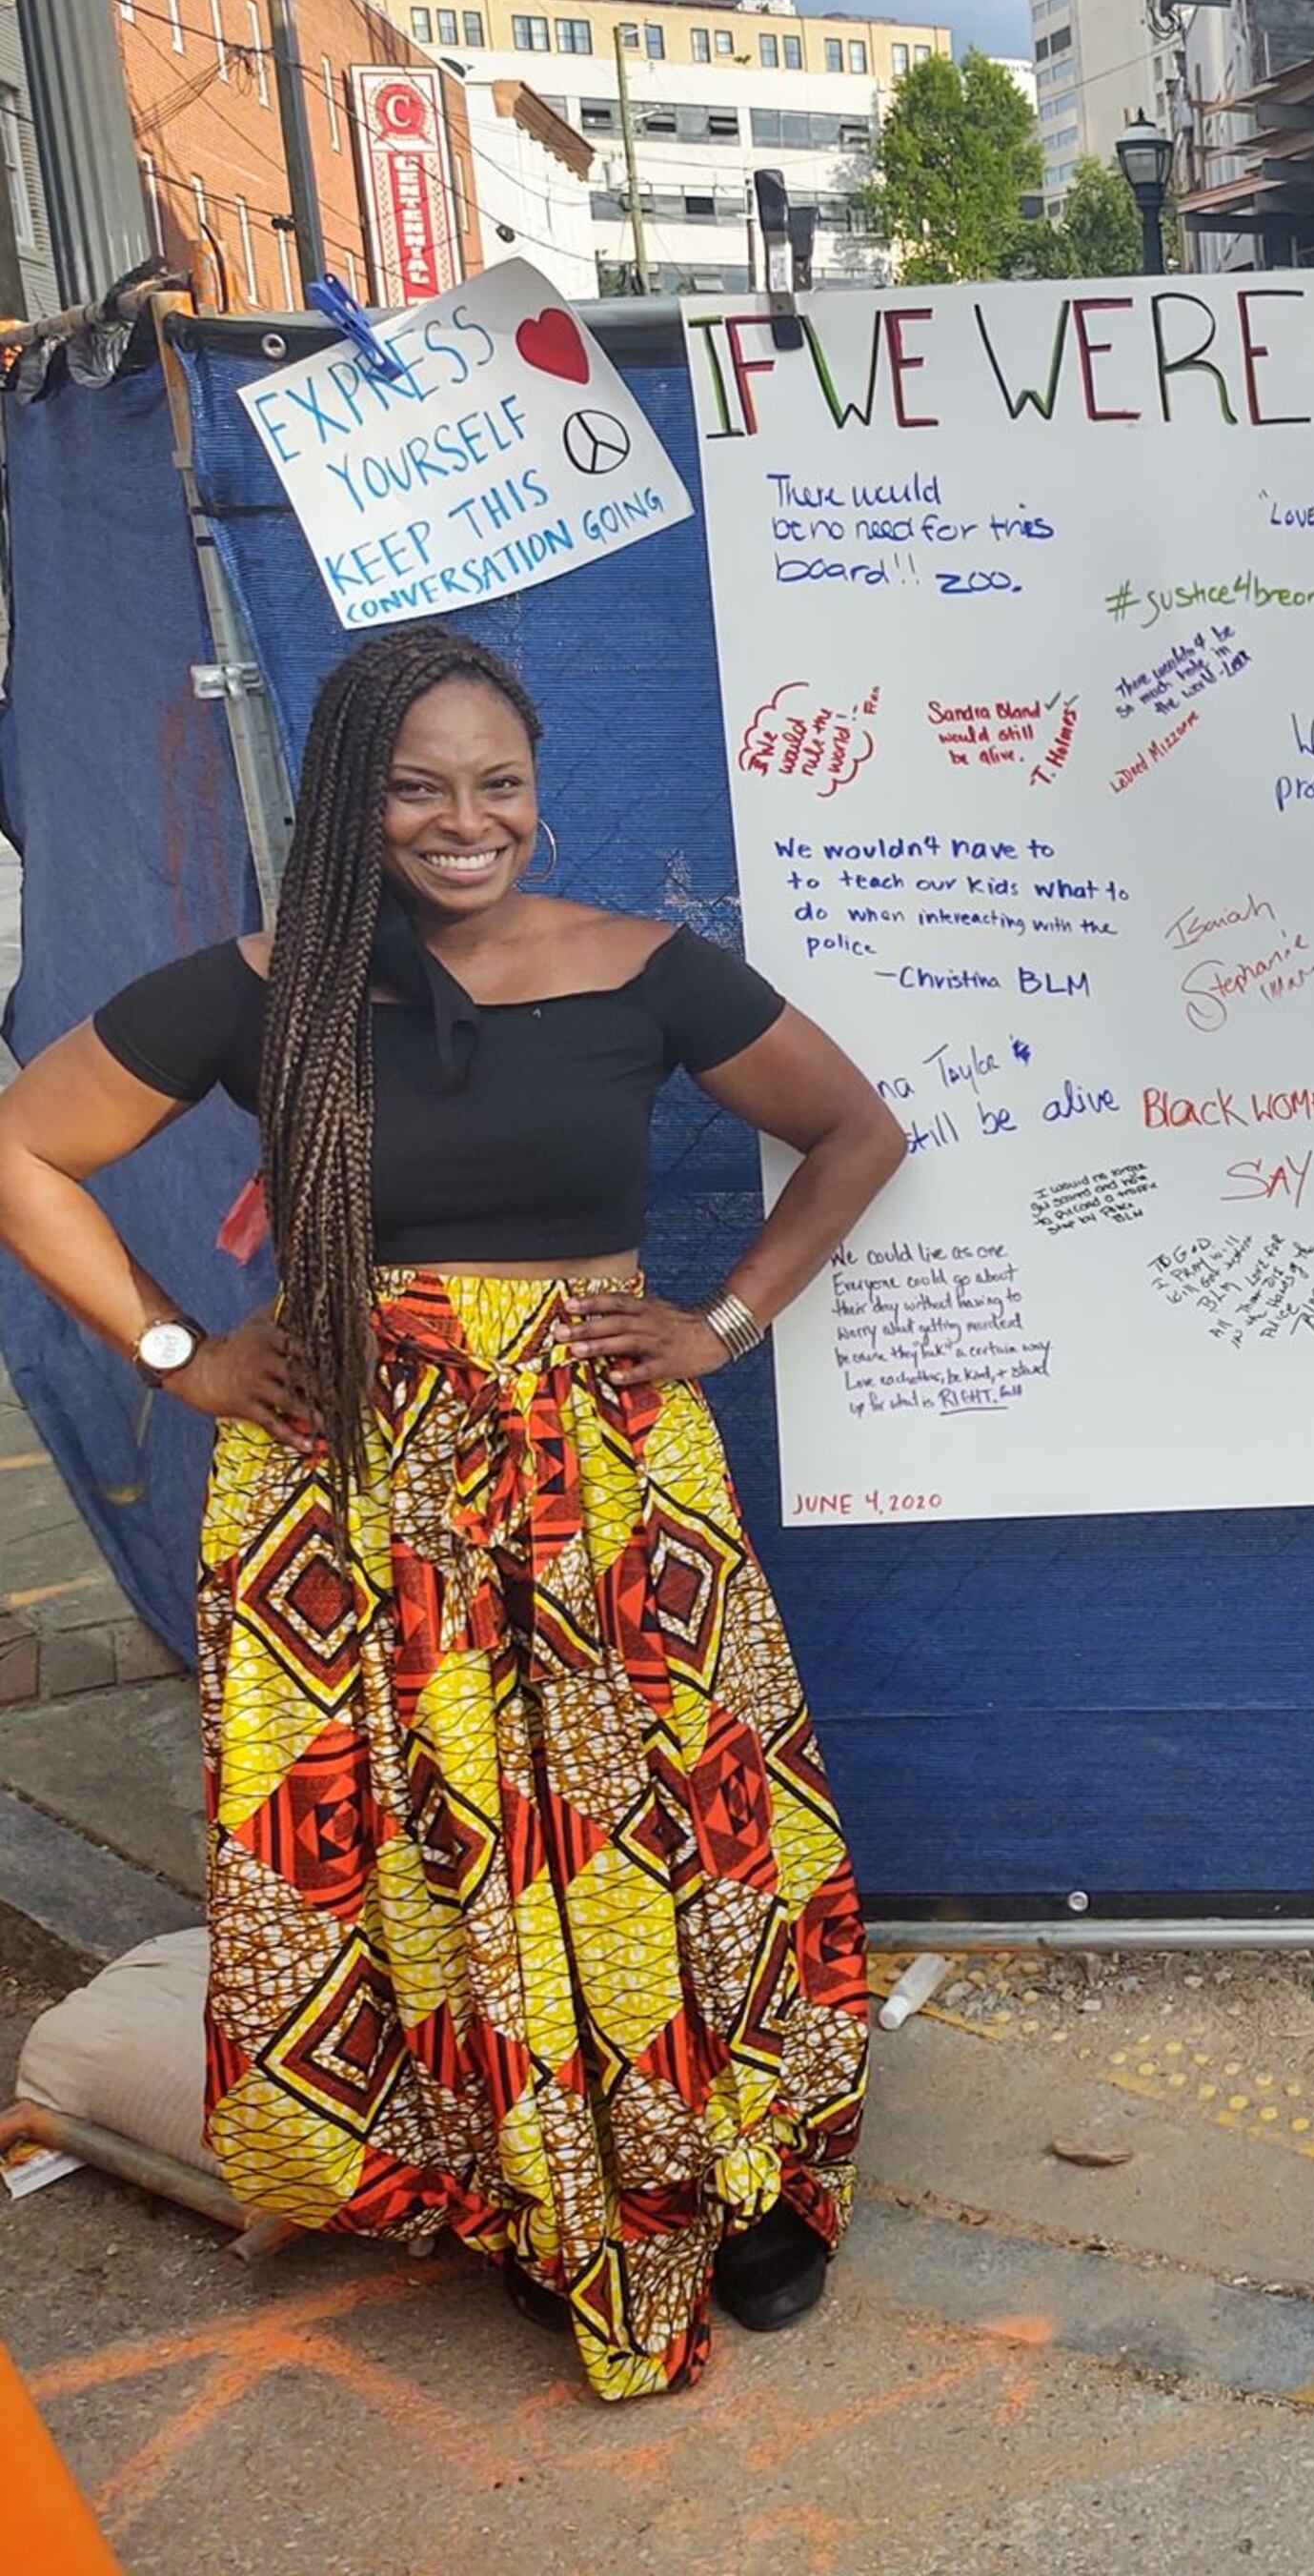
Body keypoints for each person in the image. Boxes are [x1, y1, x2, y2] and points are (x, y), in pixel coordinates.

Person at [0, 624, 907, 2397]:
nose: (464, 819)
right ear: (354, 801)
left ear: (538, 793)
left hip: (610, 1480)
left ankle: (736, 2185)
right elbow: (24, 1150)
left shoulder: (650, 970)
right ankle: (530, 2186)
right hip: (357, 1496)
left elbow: (856, 1131)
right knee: (444, 1842)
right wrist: (181, 1349)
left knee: (689, 1829)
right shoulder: (267, 992)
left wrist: (724, 1321)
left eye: (497, 783)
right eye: (418, 786)